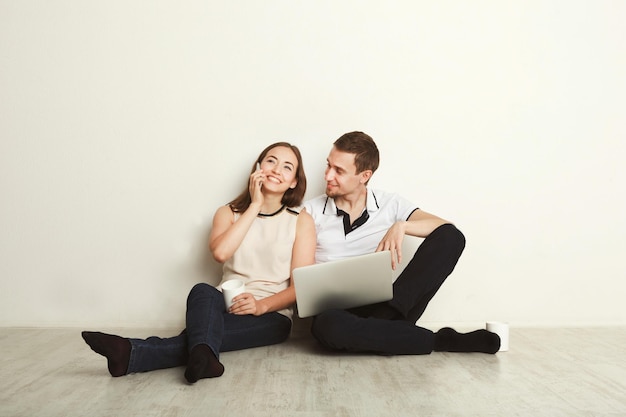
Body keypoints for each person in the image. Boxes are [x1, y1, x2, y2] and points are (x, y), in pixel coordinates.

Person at [82, 142, 316, 383]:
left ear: (294, 182)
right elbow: (221, 253)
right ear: (258, 167)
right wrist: (255, 205)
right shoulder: (228, 213)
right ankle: (202, 358)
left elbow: (300, 287)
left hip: (271, 315)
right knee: (202, 291)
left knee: (199, 338)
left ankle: (130, 352)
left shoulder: (300, 220)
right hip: (222, 304)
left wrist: (260, 305)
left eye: (287, 167)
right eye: (271, 161)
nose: (277, 169)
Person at [303, 131, 500, 355]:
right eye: (328, 166)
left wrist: (403, 226)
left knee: (452, 238)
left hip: (389, 303)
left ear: (364, 175)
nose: (328, 176)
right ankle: (436, 340)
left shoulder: (390, 204)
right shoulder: (311, 211)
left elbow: (447, 229)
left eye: (338, 171)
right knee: (329, 327)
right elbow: (302, 276)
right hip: (336, 312)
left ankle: (386, 326)